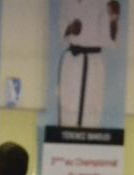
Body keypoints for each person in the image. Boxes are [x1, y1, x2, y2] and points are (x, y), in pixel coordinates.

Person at [56, 0, 120, 128]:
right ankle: (64, 138)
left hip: (93, 62)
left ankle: (90, 140)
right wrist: (70, 28)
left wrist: (114, 18)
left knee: (92, 106)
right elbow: (62, 28)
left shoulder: (103, 2)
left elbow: (111, 39)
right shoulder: (67, 2)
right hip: (71, 60)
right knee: (67, 103)